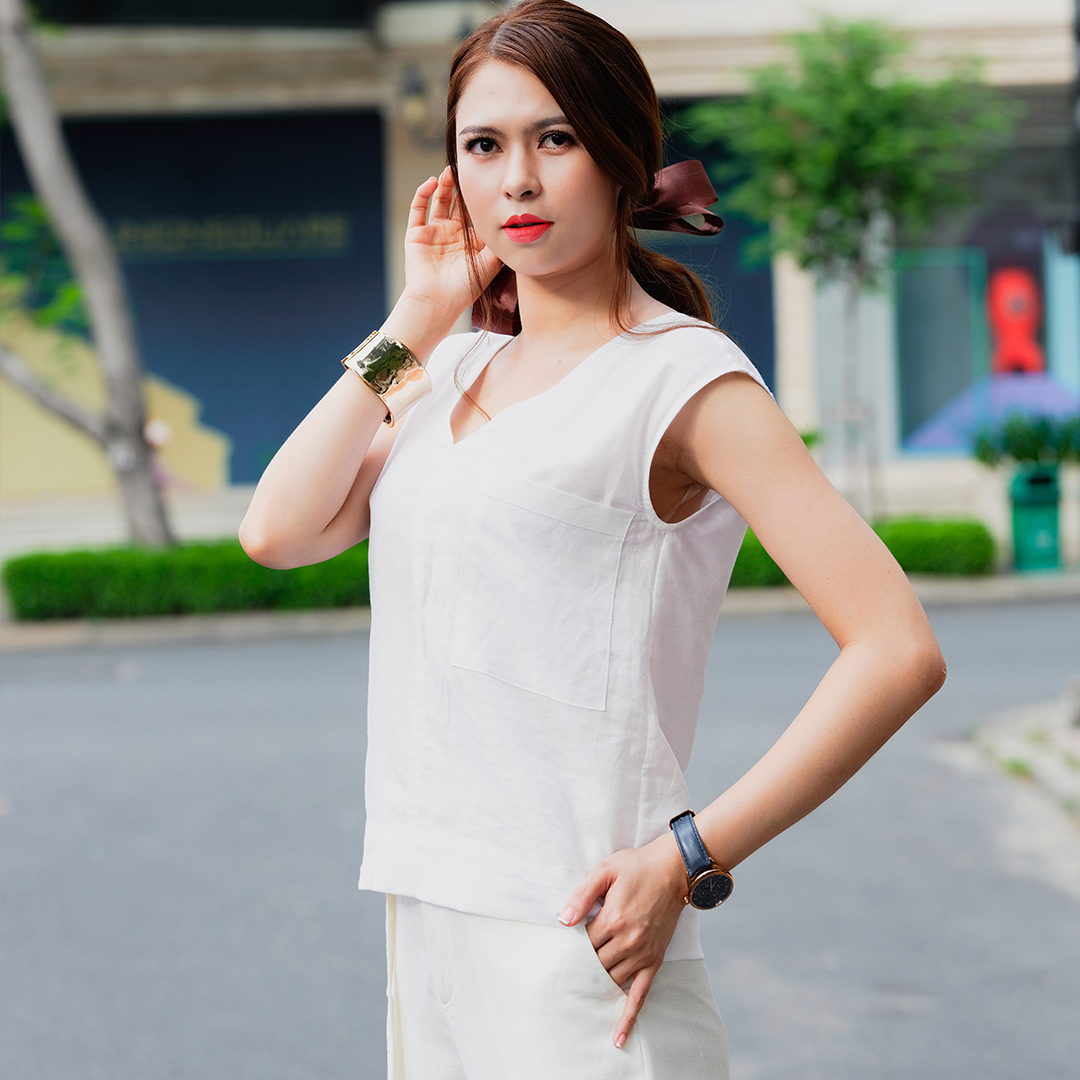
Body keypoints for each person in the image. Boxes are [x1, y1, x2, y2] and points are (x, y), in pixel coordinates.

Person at [239, 2, 946, 1076]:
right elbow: (277, 530)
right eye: (485, 146)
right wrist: (418, 318)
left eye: (555, 138)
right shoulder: (450, 369)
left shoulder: (685, 379)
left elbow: (897, 648)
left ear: (621, 159)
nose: (517, 181)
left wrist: (689, 855)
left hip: (581, 942)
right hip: (426, 919)